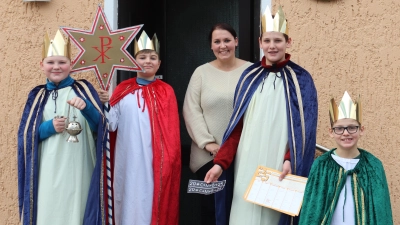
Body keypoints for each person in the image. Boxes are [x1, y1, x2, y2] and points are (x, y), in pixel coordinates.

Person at [204, 6, 318, 225]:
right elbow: (236, 127)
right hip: (247, 165)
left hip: (280, 166)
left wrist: (290, 160)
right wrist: (220, 164)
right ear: (260, 43)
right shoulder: (249, 77)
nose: (272, 46)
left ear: (289, 42)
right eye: (267, 41)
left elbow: (305, 129)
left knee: (273, 216)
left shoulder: (301, 80)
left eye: (278, 40)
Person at [17, 30, 107, 225]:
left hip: (78, 165)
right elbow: (25, 137)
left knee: (77, 207)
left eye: (62, 62)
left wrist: (87, 109)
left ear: (71, 64)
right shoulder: (37, 96)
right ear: (41, 65)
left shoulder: (83, 89)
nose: (56, 67)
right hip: (47, 168)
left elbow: (100, 129)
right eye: (50, 62)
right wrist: (48, 127)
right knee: (49, 210)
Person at [104, 31, 181, 225]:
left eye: (153, 58)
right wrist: (105, 104)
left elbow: (171, 132)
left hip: (153, 160)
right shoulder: (123, 89)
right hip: (126, 158)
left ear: (159, 63)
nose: (148, 61)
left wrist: (168, 161)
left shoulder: (166, 91)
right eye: (142, 57)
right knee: (127, 196)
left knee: (151, 199)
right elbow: (111, 124)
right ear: (133, 61)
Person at [183, 23, 252, 225]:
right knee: (213, 213)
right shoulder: (201, 73)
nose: (223, 46)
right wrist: (208, 143)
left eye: (227, 40)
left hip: (243, 155)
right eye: (217, 41)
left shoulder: (251, 72)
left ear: (236, 42)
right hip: (208, 157)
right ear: (211, 46)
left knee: (241, 209)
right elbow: (191, 110)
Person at [299, 91, 393, 225]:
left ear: (362, 130)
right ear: (331, 132)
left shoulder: (373, 165)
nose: (346, 133)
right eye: (339, 129)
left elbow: (382, 212)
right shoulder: (321, 165)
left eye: (352, 128)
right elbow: (311, 209)